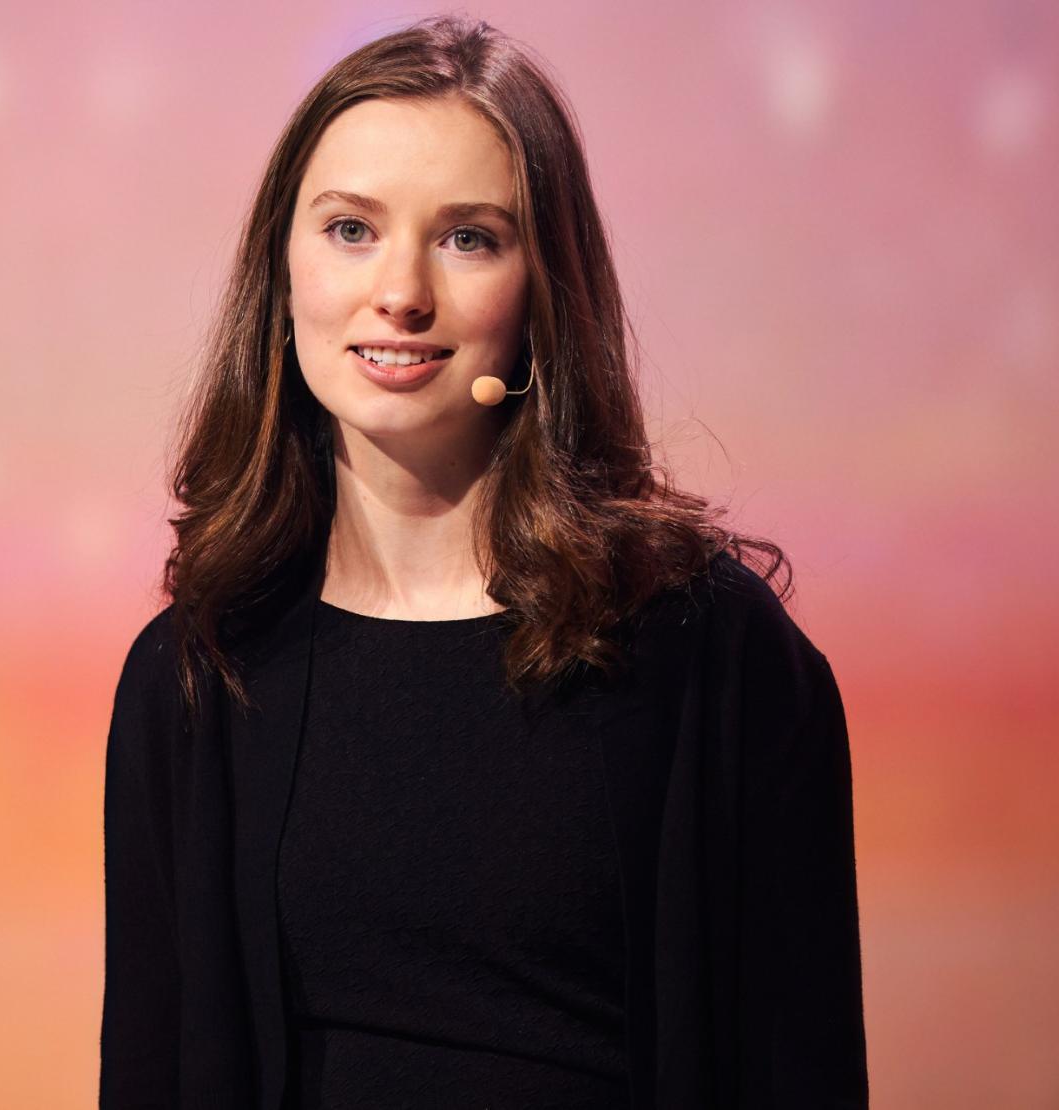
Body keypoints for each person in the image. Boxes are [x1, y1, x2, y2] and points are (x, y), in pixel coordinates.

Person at [99, 15, 869, 1109]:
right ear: (282, 270)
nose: (400, 291)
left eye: (469, 238)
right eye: (351, 229)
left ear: (543, 288)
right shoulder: (196, 675)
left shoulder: (710, 653)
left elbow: (800, 1067)